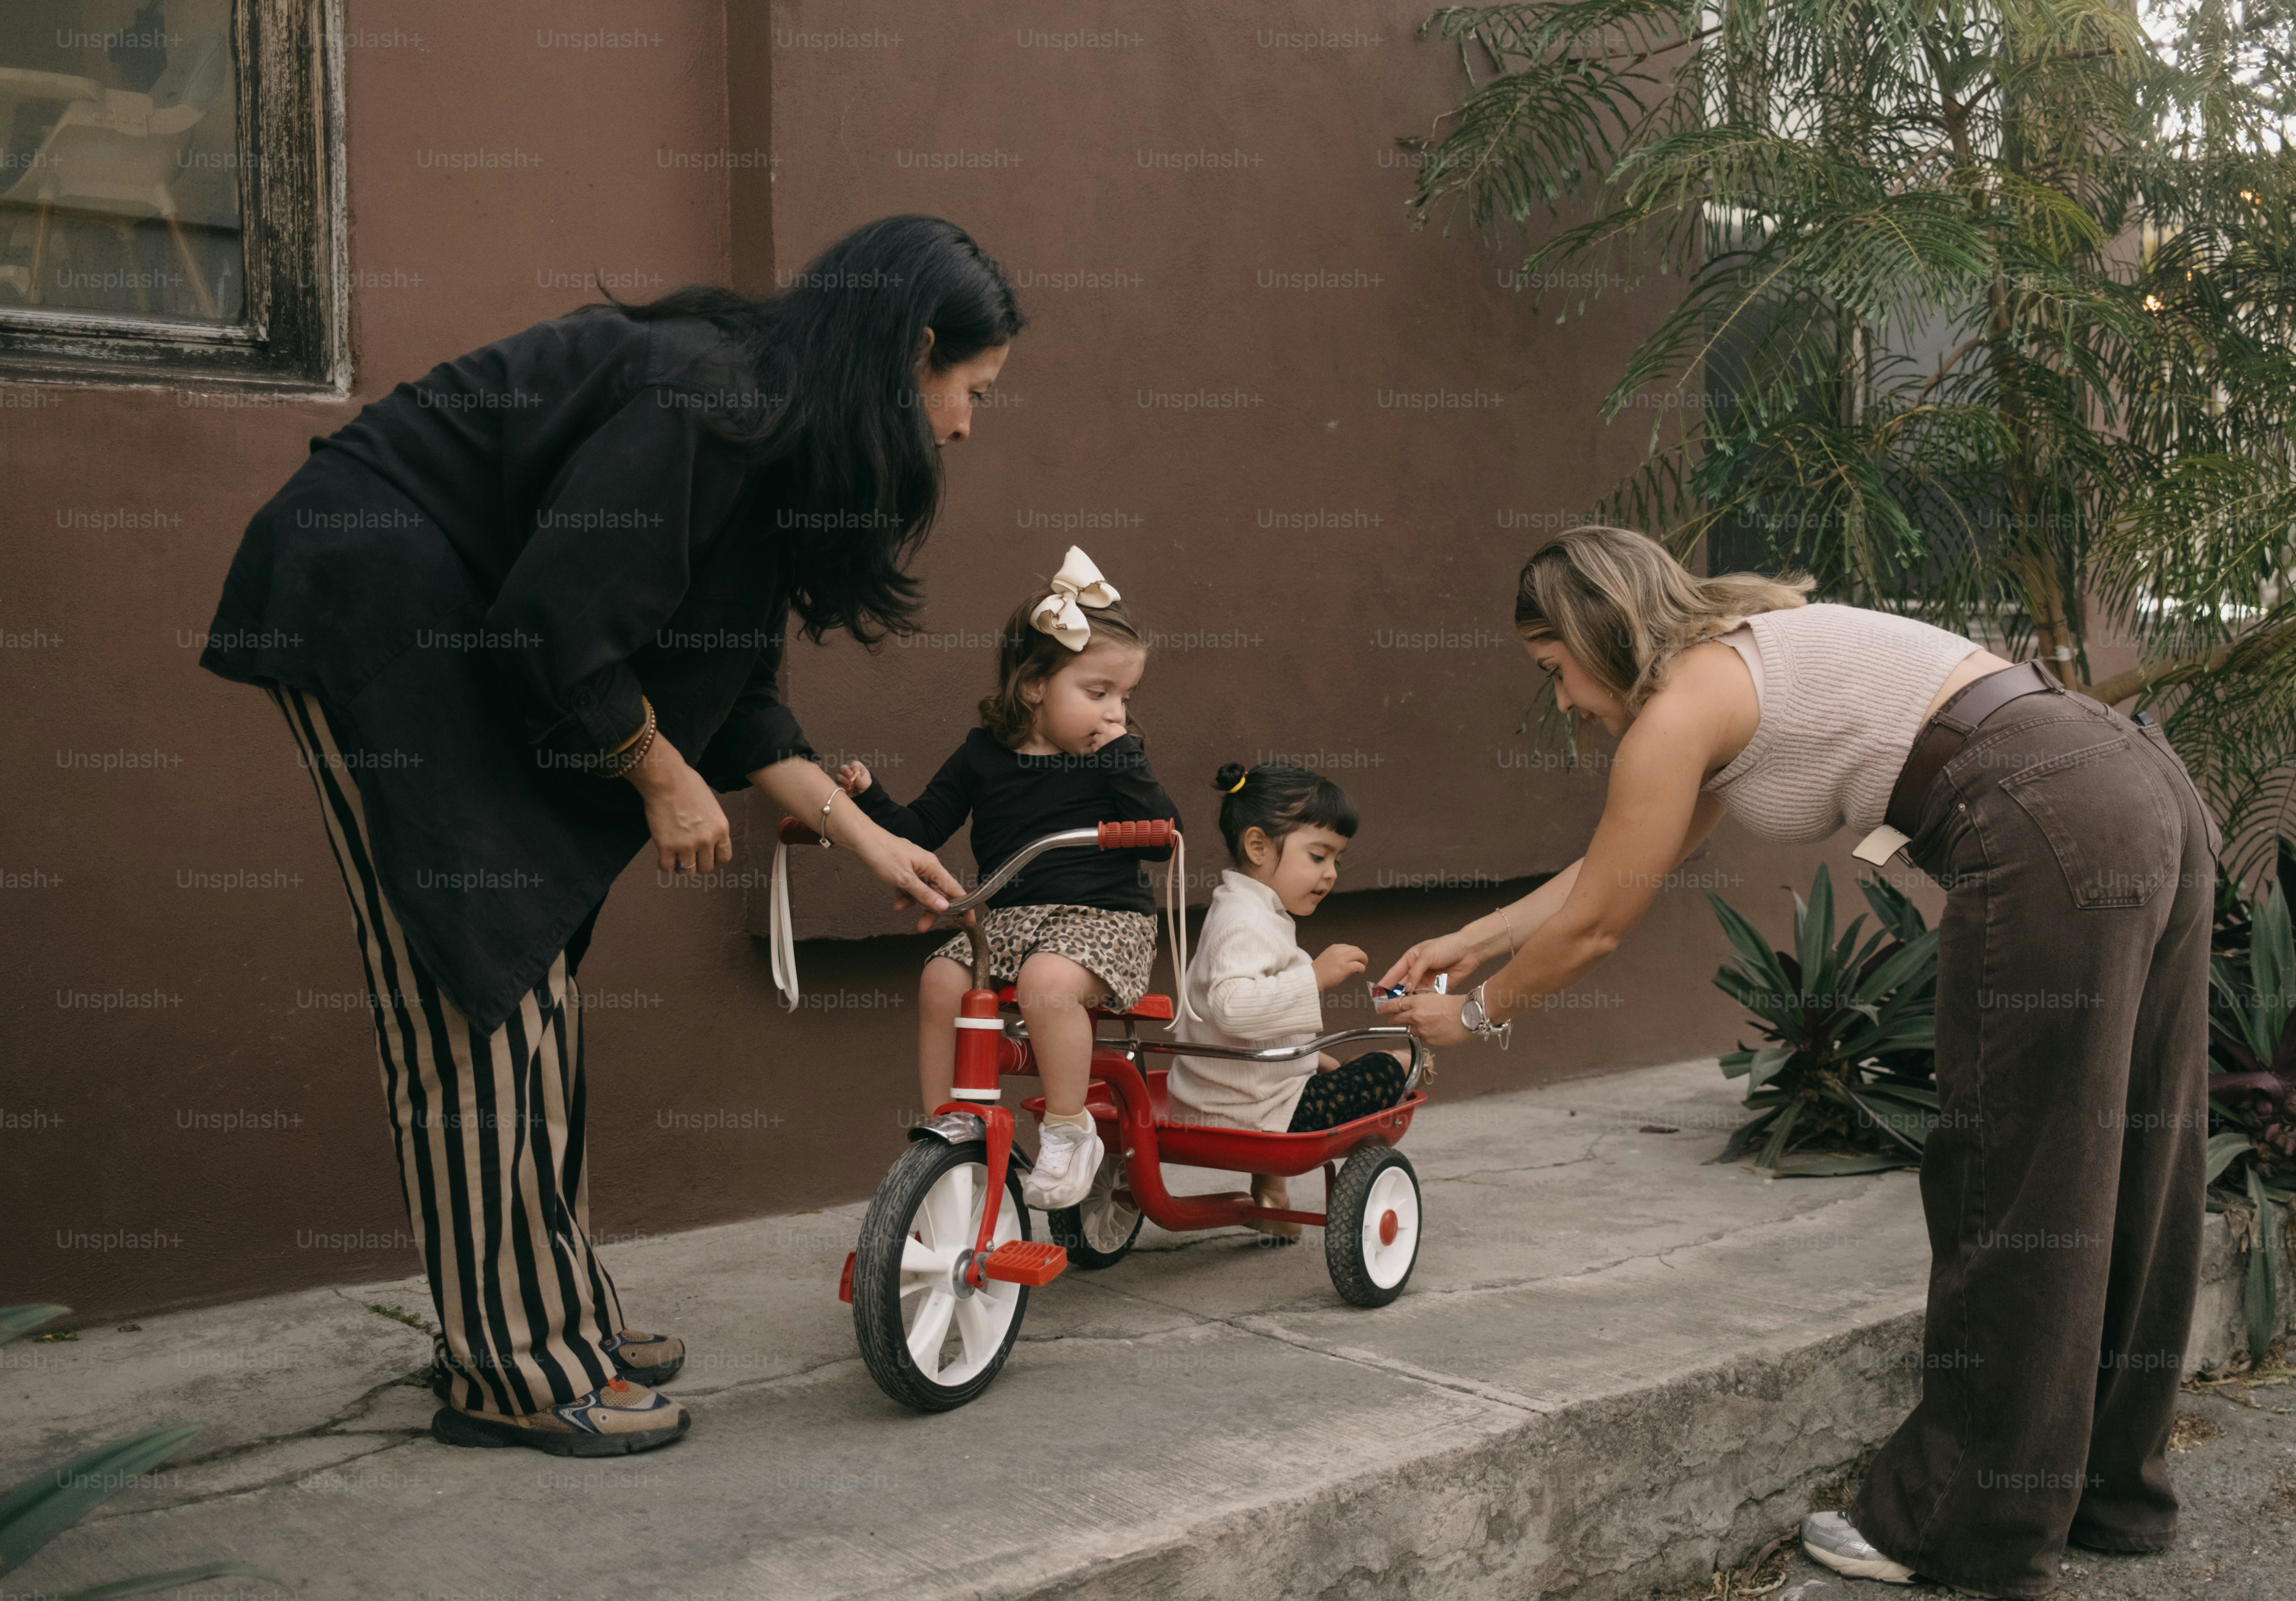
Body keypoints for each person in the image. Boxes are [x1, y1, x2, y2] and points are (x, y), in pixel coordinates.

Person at [197, 215, 1015, 1456]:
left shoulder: (770, 425)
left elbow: (725, 666)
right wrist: (654, 765)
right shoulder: (709, 400)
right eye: (969, 389)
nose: (963, 427)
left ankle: (554, 1312)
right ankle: (513, 1365)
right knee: (474, 988)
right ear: (912, 350)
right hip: (374, 590)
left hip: (461, 607)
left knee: (529, 974)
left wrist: (860, 833)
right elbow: (556, 618)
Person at [1377, 526, 2216, 1598]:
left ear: (1598, 629)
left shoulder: (1677, 707)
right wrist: (1474, 938)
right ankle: (2111, 1493)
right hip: (2131, 778)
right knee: (2139, 1145)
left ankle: (1957, 1528)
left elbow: (1594, 929)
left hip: (2041, 812)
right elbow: (1615, 866)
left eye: (1553, 671)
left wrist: (1479, 1016)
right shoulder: (1738, 658)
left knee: (2009, 1176)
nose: (1560, 702)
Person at [835, 547, 1180, 1210]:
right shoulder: (981, 755)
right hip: (1008, 923)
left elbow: (1163, 832)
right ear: (1033, 686)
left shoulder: (1115, 756)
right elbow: (921, 825)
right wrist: (870, 800)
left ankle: (1069, 1129)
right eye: (1098, 692)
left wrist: (1123, 755)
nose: (1115, 711)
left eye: (1125, 696)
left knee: (1048, 982)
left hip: (1102, 922)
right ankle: (951, 1126)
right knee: (941, 976)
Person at [1166, 762, 1404, 1242]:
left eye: (1337, 859)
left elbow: (1254, 1025)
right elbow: (1234, 1008)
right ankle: (1271, 1186)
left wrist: (1312, 1056)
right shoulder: (1245, 921)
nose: (1331, 873)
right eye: (1318, 856)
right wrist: (1313, 976)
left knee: (1334, 1070)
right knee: (1397, 1064)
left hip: (1219, 1098)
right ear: (1258, 846)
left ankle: (1269, 1198)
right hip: (1251, 1114)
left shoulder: (1248, 909)